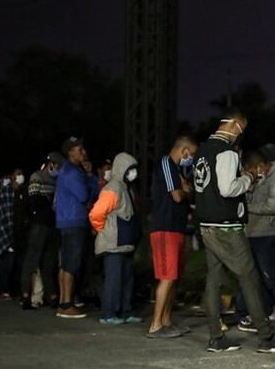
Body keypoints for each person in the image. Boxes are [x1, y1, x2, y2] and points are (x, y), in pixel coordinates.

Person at [193, 111, 275, 354]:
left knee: (213, 279)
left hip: (206, 225)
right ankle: (266, 336)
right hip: (226, 226)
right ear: (233, 126)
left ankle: (215, 337)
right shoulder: (226, 152)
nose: (239, 135)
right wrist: (246, 179)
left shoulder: (202, 150)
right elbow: (227, 188)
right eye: (240, 129)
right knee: (249, 278)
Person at [147, 136, 197, 339]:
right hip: (164, 228)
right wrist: (185, 191)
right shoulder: (166, 163)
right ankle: (155, 325)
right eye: (191, 154)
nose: (191, 158)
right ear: (183, 150)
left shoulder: (177, 170)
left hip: (176, 228)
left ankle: (166, 321)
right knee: (167, 277)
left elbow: (186, 190)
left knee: (173, 277)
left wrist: (186, 189)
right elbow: (177, 195)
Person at [236, 149, 275, 333]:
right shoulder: (262, 178)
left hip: (269, 233)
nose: (251, 175)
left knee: (271, 277)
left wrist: (247, 207)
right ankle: (264, 314)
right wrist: (249, 190)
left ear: (260, 167)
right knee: (258, 278)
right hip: (255, 233)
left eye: (251, 171)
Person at [89, 152, 143, 325]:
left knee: (126, 279)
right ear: (122, 169)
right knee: (113, 280)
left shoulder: (126, 188)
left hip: (124, 242)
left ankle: (125, 311)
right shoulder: (113, 189)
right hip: (114, 243)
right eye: (130, 169)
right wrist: (101, 230)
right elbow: (96, 213)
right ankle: (108, 313)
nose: (133, 173)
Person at [55, 137, 99, 319]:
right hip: (74, 221)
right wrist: (90, 178)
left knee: (66, 264)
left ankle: (64, 302)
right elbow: (84, 196)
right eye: (79, 150)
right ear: (70, 152)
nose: (84, 152)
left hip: (67, 221)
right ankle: (66, 305)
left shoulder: (68, 170)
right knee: (72, 263)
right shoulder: (72, 173)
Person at [20, 152, 63, 310]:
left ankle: (51, 295)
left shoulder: (56, 180)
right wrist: (49, 202)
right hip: (39, 224)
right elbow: (34, 200)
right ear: (50, 163)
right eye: (56, 165)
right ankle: (25, 295)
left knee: (49, 262)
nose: (57, 168)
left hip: (52, 225)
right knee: (32, 260)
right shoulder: (36, 176)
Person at [0, 170, 21, 299]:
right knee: (6, 264)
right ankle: (3, 289)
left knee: (9, 263)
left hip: (12, 232)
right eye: (18, 174)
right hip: (6, 233)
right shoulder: (7, 193)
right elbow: (7, 215)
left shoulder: (16, 192)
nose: (20, 177)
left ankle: (5, 289)